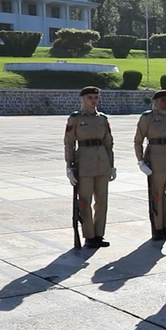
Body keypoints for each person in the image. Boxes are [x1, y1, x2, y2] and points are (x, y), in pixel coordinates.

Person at [64, 85, 115, 248]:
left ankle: (99, 234)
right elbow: (69, 143)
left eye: (96, 98)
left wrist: (112, 165)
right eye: (90, 98)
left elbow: (109, 143)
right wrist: (69, 166)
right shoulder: (75, 118)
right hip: (84, 163)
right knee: (85, 201)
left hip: (102, 162)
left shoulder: (102, 119)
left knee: (102, 201)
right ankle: (89, 235)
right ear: (83, 99)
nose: (94, 101)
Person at [136, 90, 166, 240]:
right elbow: (138, 140)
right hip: (155, 159)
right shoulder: (148, 117)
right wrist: (141, 161)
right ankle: (157, 228)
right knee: (156, 195)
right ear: (155, 102)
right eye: (162, 100)